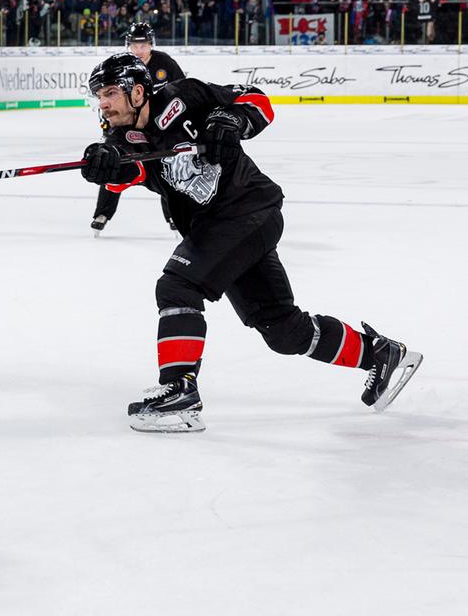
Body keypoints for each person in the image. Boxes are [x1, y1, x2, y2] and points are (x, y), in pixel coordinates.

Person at [79, 53, 423, 433]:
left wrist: (231, 121)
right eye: (99, 96)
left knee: (178, 284)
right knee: (282, 330)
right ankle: (379, 353)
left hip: (248, 209)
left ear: (138, 91)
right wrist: (104, 165)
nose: (104, 103)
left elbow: (257, 100)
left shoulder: (187, 95)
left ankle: (179, 390)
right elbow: (125, 172)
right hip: (221, 227)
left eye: (110, 92)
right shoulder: (122, 138)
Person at [91, 22, 185, 236]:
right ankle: (102, 213)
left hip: (160, 127)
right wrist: (109, 125)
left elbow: (182, 90)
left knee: (168, 166)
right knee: (113, 161)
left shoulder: (165, 63)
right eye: (134, 45)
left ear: (151, 44)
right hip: (128, 127)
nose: (139, 50)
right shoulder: (124, 66)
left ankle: (173, 214)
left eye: (143, 45)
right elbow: (109, 95)